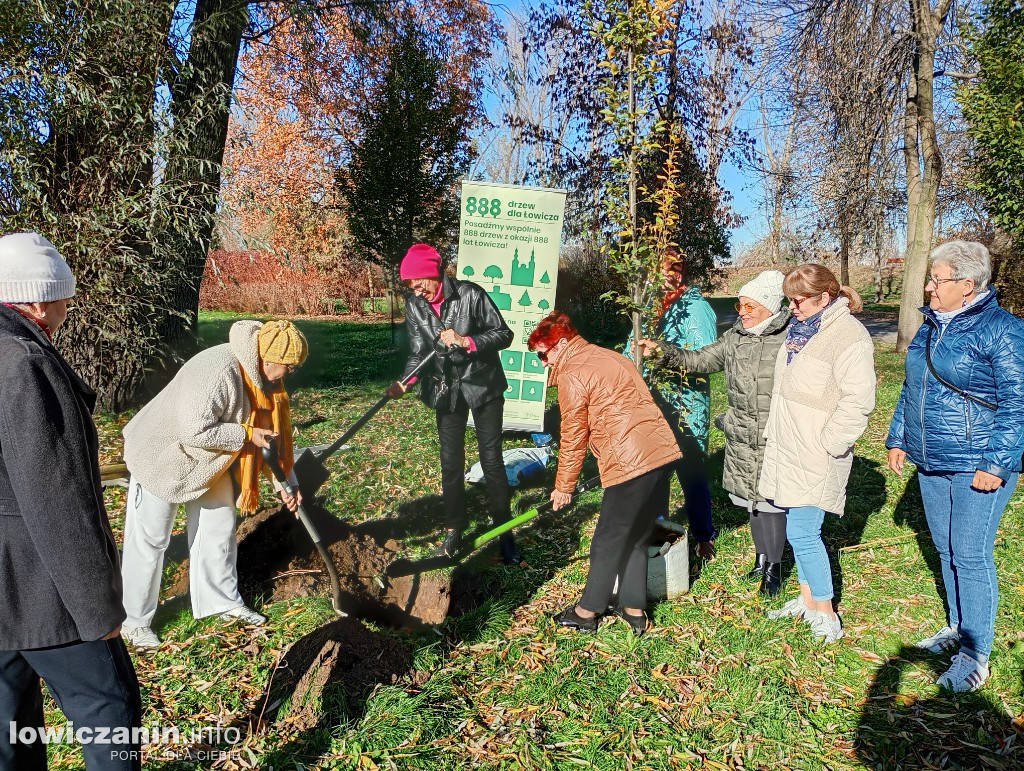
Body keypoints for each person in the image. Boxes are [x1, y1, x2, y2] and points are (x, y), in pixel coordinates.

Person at [0, 232, 142, 769]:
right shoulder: (23, 366)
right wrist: (97, 607)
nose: (67, 306)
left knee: (8, 725)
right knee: (108, 708)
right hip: (42, 585)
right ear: (35, 300)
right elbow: (56, 498)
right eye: (62, 296)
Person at [886, 241, 1024, 692]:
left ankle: (975, 654)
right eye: (930, 279)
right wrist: (898, 437)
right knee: (946, 550)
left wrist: (997, 463)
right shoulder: (930, 327)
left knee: (970, 554)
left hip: (977, 464)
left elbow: (1017, 404)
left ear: (967, 285)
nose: (928, 288)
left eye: (936, 280)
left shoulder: (1003, 330)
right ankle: (957, 627)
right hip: (931, 459)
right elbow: (912, 387)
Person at [120, 319, 307, 650]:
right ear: (267, 357)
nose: (290, 374)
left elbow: (272, 441)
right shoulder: (218, 371)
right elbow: (194, 431)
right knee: (150, 540)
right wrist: (247, 434)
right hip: (162, 456)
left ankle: (220, 603)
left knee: (218, 528)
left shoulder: (266, 386)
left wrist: (285, 482)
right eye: (289, 367)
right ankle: (134, 622)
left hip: (211, 460)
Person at [640, 270, 791, 595]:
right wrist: (663, 351)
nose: (743, 312)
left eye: (751, 307)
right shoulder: (736, 336)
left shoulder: (789, 338)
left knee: (770, 503)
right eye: (740, 306)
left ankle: (775, 569)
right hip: (741, 433)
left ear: (770, 307)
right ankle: (761, 559)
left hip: (774, 433)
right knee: (751, 501)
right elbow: (701, 359)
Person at [530, 311, 682, 634]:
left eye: (543, 355)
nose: (543, 363)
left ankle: (587, 612)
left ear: (559, 344)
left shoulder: (572, 373)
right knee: (638, 534)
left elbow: (573, 435)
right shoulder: (610, 356)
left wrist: (563, 487)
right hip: (660, 451)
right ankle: (633, 608)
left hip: (630, 461)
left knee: (607, 538)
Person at [759, 264, 875, 644]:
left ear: (824, 297)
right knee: (801, 529)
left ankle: (825, 612)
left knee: (803, 532)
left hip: (817, 451)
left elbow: (858, 401)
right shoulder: (801, 329)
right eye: (789, 300)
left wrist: (832, 442)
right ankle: (808, 600)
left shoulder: (848, 335)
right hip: (790, 446)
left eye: (799, 300)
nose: (792, 307)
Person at [387, 243, 521, 563]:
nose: (416, 289)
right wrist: (407, 381)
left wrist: (467, 341)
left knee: (491, 459)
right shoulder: (416, 306)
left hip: (483, 384)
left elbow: (503, 334)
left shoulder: (470, 295)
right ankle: (454, 529)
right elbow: (419, 351)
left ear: (435, 273)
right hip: (446, 389)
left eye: (418, 282)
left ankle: (504, 530)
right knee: (450, 462)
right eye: (410, 285)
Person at [624, 250, 718, 558]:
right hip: (653, 404)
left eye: (676, 268)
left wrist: (661, 352)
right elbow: (630, 350)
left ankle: (705, 537)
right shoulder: (648, 309)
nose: (670, 274)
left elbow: (705, 356)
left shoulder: (697, 309)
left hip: (685, 404)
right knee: (657, 472)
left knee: (691, 471)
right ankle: (660, 532)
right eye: (663, 269)